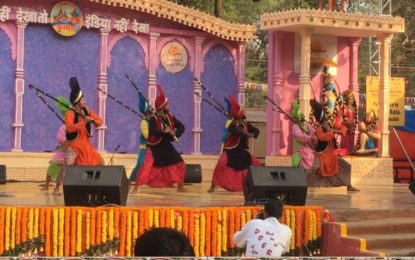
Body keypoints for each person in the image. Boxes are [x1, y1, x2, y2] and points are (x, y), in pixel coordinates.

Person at [53, 77, 104, 195]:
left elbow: (100, 121)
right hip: (74, 145)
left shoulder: (87, 110)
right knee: (67, 164)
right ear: (77, 101)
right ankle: (57, 187)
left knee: (100, 162)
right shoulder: (70, 113)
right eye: (82, 99)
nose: (84, 101)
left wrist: (95, 122)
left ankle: (92, 185)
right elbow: (70, 128)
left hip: (86, 145)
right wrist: (84, 122)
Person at [135, 84, 187, 192]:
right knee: (146, 167)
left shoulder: (170, 117)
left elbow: (182, 126)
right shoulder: (154, 118)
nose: (169, 106)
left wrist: (175, 134)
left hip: (165, 145)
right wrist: (164, 131)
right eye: (167, 104)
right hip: (154, 146)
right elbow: (152, 131)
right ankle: (136, 187)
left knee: (180, 163)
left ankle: (180, 186)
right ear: (162, 106)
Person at [208, 96, 261, 193]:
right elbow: (236, 132)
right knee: (221, 165)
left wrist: (252, 134)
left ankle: (254, 184)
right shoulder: (232, 124)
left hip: (241, 150)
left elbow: (256, 130)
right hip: (230, 150)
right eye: (242, 112)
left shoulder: (245, 124)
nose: (243, 113)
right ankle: (213, 185)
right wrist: (245, 134)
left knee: (255, 163)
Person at [307, 99, 359, 191]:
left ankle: (349, 185)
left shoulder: (330, 125)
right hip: (322, 155)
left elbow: (342, 128)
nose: (327, 116)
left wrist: (341, 131)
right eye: (325, 115)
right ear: (322, 117)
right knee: (314, 168)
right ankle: (305, 184)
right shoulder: (319, 128)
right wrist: (332, 132)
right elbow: (322, 137)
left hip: (332, 155)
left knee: (347, 166)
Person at [41, 97, 70, 191]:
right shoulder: (63, 127)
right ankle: (46, 185)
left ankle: (57, 188)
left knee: (64, 172)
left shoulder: (75, 127)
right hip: (62, 152)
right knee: (52, 168)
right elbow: (60, 138)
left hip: (71, 153)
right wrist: (68, 139)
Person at [131, 94, 153, 193]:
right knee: (140, 164)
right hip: (145, 147)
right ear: (147, 111)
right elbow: (147, 136)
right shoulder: (144, 122)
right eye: (150, 107)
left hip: (154, 148)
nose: (153, 108)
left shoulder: (153, 120)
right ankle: (130, 181)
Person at [291, 99, 316, 170]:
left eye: (303, 118)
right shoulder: (295, 126)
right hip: (298, 152)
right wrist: (310, 138)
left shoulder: (307, 126)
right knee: (296, 167)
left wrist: (317, 136)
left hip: (308, 152)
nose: (302, 120)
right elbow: (299, 136)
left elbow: (315, 132)